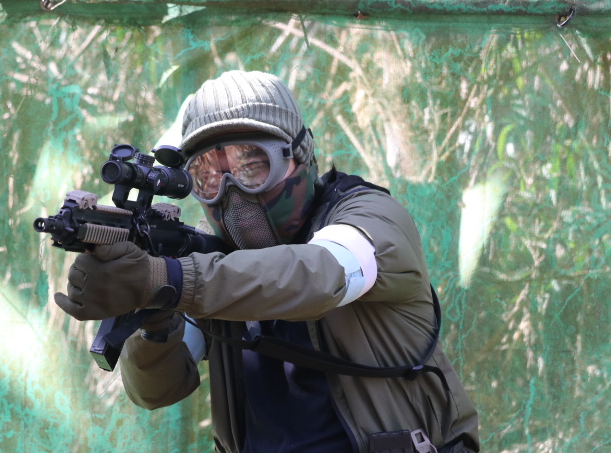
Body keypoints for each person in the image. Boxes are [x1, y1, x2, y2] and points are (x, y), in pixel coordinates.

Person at [54, 70, 480, 453]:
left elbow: (318, 277)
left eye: (252, 165)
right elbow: (156, 390)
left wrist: (168, 278)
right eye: (207, 174)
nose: (231, 190)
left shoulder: (371, 218)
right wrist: (156, 320)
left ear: (300, 155)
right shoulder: (211, 263)